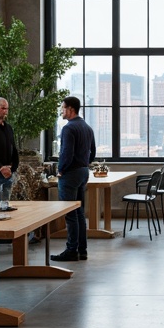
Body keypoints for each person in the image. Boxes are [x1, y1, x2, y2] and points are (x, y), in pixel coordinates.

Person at [55, 96, 96, 261]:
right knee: (79, 212)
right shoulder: (87, 127)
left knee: (70, 213)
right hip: (83, 172)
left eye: (63, 108)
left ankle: (72, 250)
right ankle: (82, 250)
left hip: (70, 174)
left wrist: (60, 169)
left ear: (70, 109)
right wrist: (84, 164)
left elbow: (66, 153)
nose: (61, 111)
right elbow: (92, 152)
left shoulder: (68, 129)